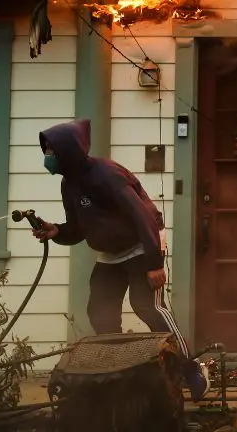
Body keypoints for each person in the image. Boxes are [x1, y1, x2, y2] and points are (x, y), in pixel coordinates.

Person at [32, 119, 210, 401]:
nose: (48, 157)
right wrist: (56, 231)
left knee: (148, 307)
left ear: (68, 150)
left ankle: (191, 368)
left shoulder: (106, 174)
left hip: (142, 244)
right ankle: (118, 371)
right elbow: (78, 228)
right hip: (110, 253)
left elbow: (143, 217)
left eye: (51, 151)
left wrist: (154, 263)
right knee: (99, 310)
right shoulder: (69, 184)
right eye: (47, 151)